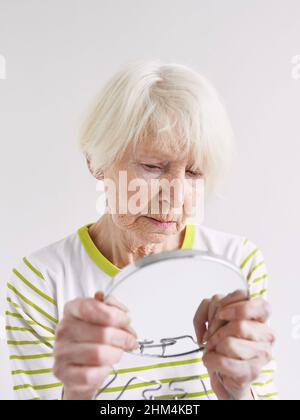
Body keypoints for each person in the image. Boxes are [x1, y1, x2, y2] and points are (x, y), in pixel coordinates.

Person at [5, 60, 277, 400]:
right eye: (153, 166)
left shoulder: (236, 264)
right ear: (96, 160)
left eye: (194, 173)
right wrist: (76, 393)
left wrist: (237, 393)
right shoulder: (42, 281)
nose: (175, 197)